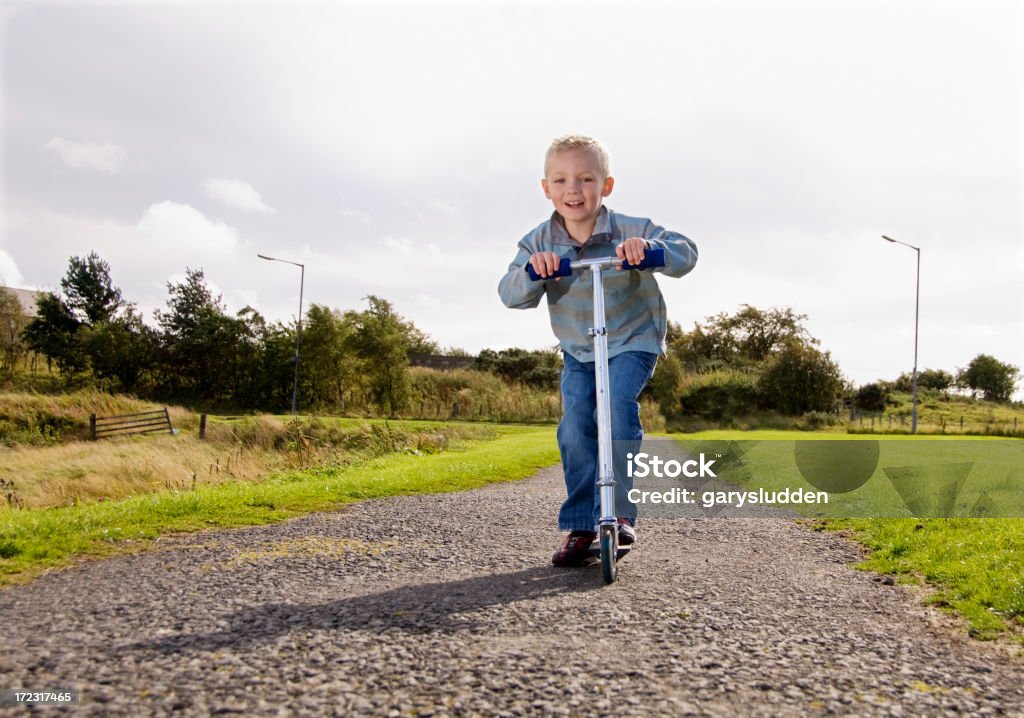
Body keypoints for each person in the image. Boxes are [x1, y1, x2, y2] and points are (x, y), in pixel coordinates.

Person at [498, 134, 698, 567]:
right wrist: (535, 272)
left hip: (632, 339)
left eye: (586, 178)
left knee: (616, 412)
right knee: (575, 428)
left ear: (606, 186)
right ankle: (583, 523)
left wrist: (650, 251)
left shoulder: (631, 228)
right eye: (562, 179)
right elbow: (509, 293)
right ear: (546, 188)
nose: (574, 189)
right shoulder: (538, 241)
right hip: (579, 348)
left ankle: (621, 514)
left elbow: (686, 253)